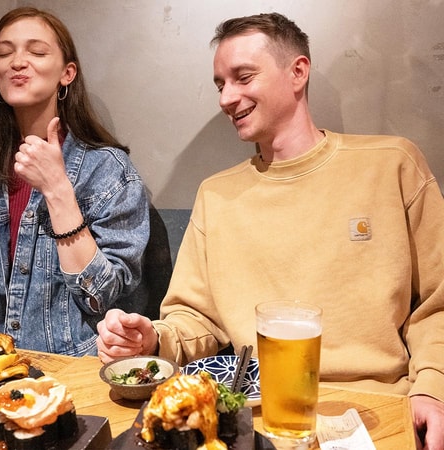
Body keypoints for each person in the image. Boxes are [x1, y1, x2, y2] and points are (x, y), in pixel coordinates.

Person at [96, 12, 444, 447]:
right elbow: (195, 318)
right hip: (257, 417)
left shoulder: (391, 164)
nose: (227, 98)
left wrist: (433, 388)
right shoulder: (216, 194)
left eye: (243, 77)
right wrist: (151, 339)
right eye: (221, 85)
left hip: (377, 408)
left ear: (298, 72)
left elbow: (437, 303)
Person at [0, 7, 150, 357]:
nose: (17, 62)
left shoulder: (106, 169)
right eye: (4, 53)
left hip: (72, 371)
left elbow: (102, 296)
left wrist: (57, 190)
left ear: (67, 73)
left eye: (36, 52)